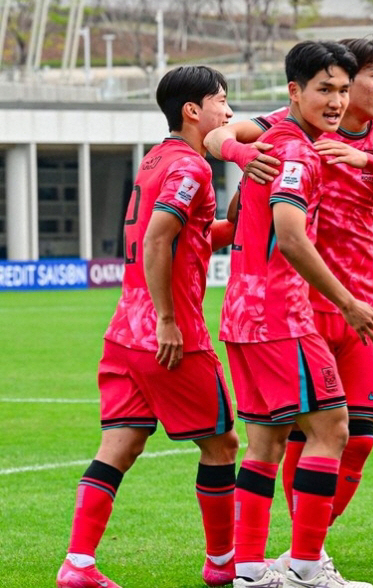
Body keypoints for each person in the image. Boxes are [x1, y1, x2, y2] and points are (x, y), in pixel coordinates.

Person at [205, 38, 373, 556]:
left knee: (357, 437)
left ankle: (293, 553)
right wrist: (241, 153)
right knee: (304, 432)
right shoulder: (287, 132)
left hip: (361, 308)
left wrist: (363, 159)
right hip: (298, 306)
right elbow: (219, 134)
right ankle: (304, 557)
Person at [56, 66, 240, 588]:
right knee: (223, 443)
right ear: (192, 110)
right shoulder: (192, 168)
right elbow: (160, 239)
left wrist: (241, 211)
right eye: (221, 101)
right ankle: (224, 564)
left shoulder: (157, 159)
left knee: (121, 442)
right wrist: (167, 321)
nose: (227, 112)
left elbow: (192, 235)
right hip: (168, 332)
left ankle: (79, 565)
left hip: (123, 329)